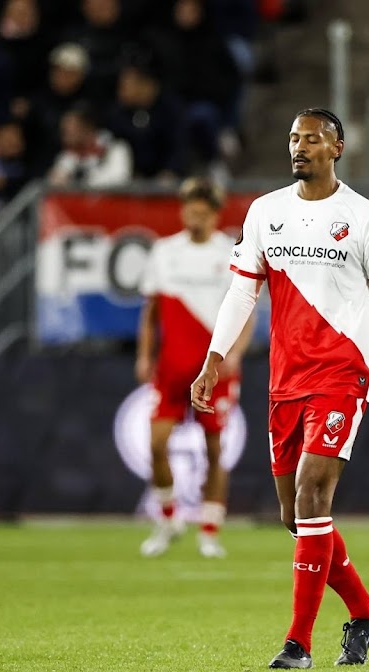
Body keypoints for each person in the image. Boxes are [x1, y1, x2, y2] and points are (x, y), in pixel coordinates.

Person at [191, 108, 369, 669]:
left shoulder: (365, 218)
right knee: (296, 517)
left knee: (314, 493)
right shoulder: (265, 211)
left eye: (312, 139)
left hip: (342, 375)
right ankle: (366, 613)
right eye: (294, 138)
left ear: (337, 148)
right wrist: (213, 358)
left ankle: (298, 644)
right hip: (284, 379)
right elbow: (242, 293)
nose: (300, 147)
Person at [136, 177, 253, 559]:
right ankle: (169, 519)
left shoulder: (231, 253)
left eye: (203, 213)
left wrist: (236, 352)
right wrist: (145, 355)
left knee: (215, 450)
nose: (195, 219)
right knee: (156, 445)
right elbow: (151, 313)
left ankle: (209, 531)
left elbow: (247, 308)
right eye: (190, 212)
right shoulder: (164, 252)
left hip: (214, 369)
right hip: (172, 367)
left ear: (216, 215)